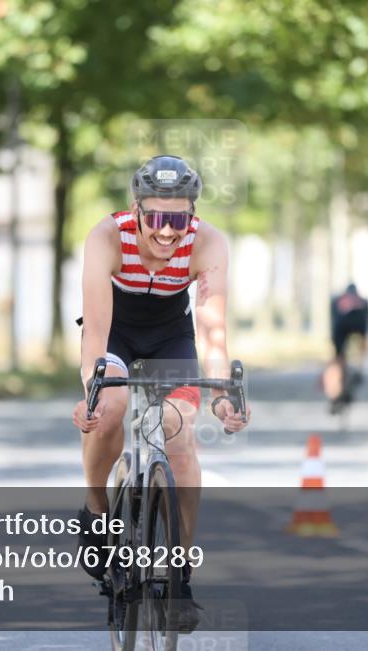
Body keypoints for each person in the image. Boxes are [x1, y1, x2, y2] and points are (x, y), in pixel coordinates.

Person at [71, 155, 251, 627]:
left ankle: (180, 576)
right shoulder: (107, 237)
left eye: (179, 219)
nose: (168, 231)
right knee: (110, 407)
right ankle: (96, 513)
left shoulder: (207, 242)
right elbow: (95, 331)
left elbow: (213, 332)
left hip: (172, 337)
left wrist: (222, 396)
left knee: (180, 440)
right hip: (115, 332)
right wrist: (92, 385)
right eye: (156, 218)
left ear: (192, 214)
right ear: (137, 210)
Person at [324, 283, 368, 412]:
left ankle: (333, 395)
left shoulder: (337, 301)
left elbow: (333, 322)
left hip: (340, 326)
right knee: (362, 344)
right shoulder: (363, 301)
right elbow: (366, 324)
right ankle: (360, 369)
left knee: (336, 360)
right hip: (359, 324)